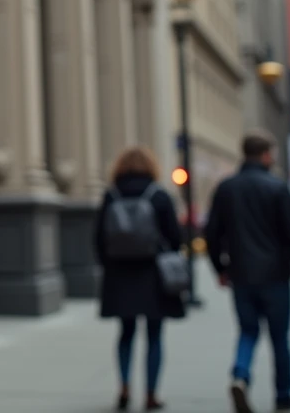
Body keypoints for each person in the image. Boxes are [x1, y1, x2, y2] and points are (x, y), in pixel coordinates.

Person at [204, 131, 290, 413]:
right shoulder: (277, 188)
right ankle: (284, 394)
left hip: (241, 274)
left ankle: (240, 375)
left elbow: (212, 233)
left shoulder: (226, 188)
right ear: (265, 155)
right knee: (280, 337)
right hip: (275, 275)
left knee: (248, 331)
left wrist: (220, 268)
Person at [94, 146, 185, 411]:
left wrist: (109, 265)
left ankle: (123, 386)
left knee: (126, 333)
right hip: (154, 274)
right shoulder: (158, 195)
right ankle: (151, 394)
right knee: (155, 335)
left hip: (120, 275)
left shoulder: (111, 195)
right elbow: (176, 237)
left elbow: (99, 239)